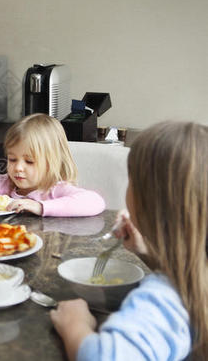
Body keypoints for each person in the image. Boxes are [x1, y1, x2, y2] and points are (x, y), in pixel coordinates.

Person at [51, 121, 208, 360]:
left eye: (132, 180)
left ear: (150, 202)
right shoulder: (197, 279)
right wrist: (146, 252)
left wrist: (76, 325)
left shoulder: (161, 300)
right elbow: (186, 275)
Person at [0, 113, 105, 217]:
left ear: (51, 162)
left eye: (29, 161)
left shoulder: (55, 189)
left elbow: (95, 202)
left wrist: (40, 207)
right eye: (12, 159)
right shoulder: (3, 183)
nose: (18, 167)